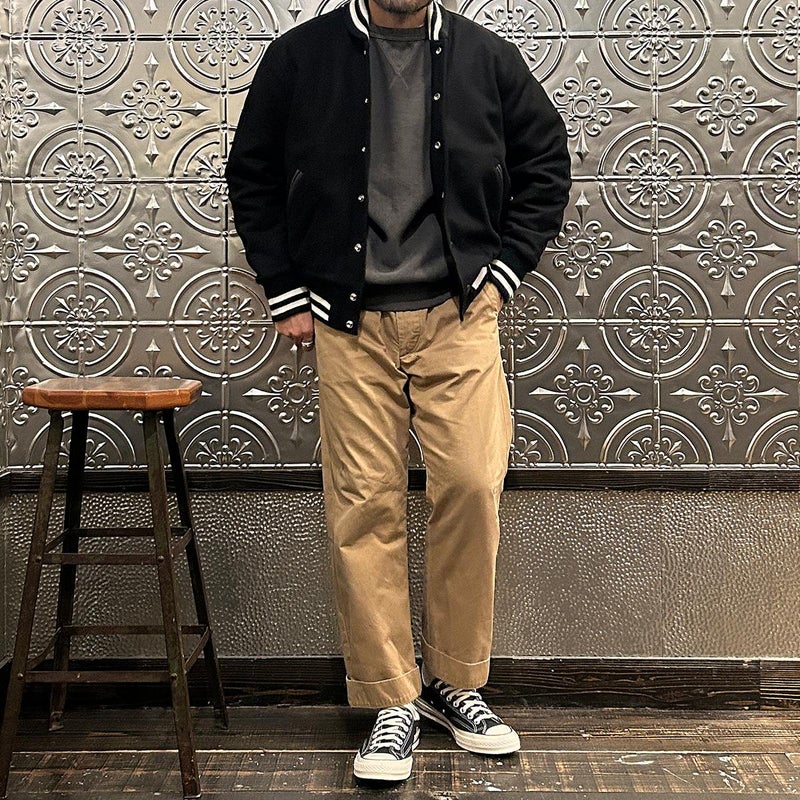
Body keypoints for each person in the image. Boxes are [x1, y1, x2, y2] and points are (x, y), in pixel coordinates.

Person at [226, 0, 571, 782]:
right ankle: (391, 699)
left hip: (458, 312)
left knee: (472, 483)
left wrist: (504, 271)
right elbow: (251, 173)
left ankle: (454, 681)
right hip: (346, 318)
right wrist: (283, 286)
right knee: (364, 502)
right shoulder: (300, 56)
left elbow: (547, 164)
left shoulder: (488, 58)